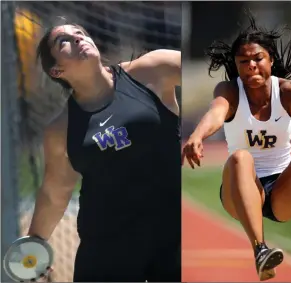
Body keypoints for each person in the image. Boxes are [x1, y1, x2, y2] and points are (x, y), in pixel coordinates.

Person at [182, 12, 291, 281]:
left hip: (279, 193)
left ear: (270, 60)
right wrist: (197, 135)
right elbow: (216, 113)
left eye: (257, 59)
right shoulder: (230, 91)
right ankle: (260, 251)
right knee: (240, 158)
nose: (251, 66)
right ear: (236, 66)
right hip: (239, 191)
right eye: (243, 61)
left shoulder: (289, 90)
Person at [22, 19, 181, 282]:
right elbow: (55, 191)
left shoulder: (152, 69)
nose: (77, 39)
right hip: (107, 248)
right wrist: (35, 243)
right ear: (56, 71)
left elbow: (217, 74)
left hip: (170, 238)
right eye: (63, 41)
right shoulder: (60, 129)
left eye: (80, 33)